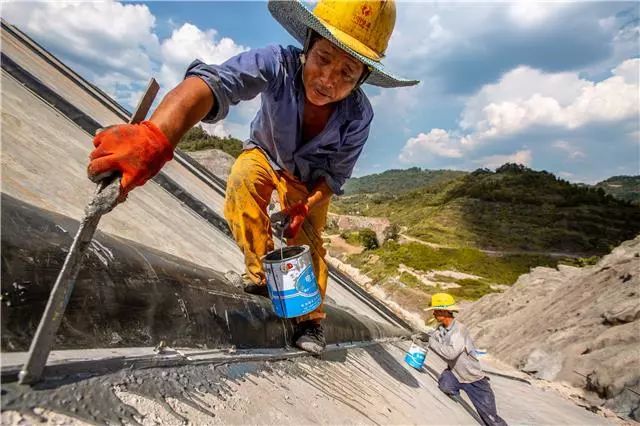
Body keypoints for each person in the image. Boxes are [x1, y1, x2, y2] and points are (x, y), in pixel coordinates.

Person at [87, 0, 417, 354]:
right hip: (265, 154)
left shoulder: (358, 116)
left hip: (309, 184)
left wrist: (305, 206)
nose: (328, 80)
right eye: (323, 59)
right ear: (307, 46)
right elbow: (216, 83)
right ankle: (262, 277)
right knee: (244, 177)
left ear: (362, 79)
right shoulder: (277, 62)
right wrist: (158, 135)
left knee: (308, 243)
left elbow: (334, 178)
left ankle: (309, 321)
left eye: (347, 74)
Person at [424, 293, 508, 426]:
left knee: (491, 420)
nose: (433, 313)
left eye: (435, 310)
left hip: (474, 380)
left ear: (444, 311)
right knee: (445, 385)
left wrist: (431, 342)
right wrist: (424, 337)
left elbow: (451, 354)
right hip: (455, 374)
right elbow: (433, 337)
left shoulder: (459, 331)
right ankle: (454, 387)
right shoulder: (441, 329)